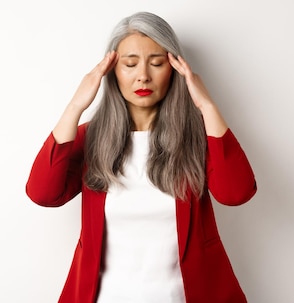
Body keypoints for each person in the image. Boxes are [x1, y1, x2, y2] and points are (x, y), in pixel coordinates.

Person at [25, 11, 257, 303]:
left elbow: (236, 192)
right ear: (112, 71)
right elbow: (43, 193)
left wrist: (206, 105)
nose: (143, 75)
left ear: (174, 67)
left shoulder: (198, 137)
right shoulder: (91, 139)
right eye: (130, 64)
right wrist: (76, 106)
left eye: (157, 62)